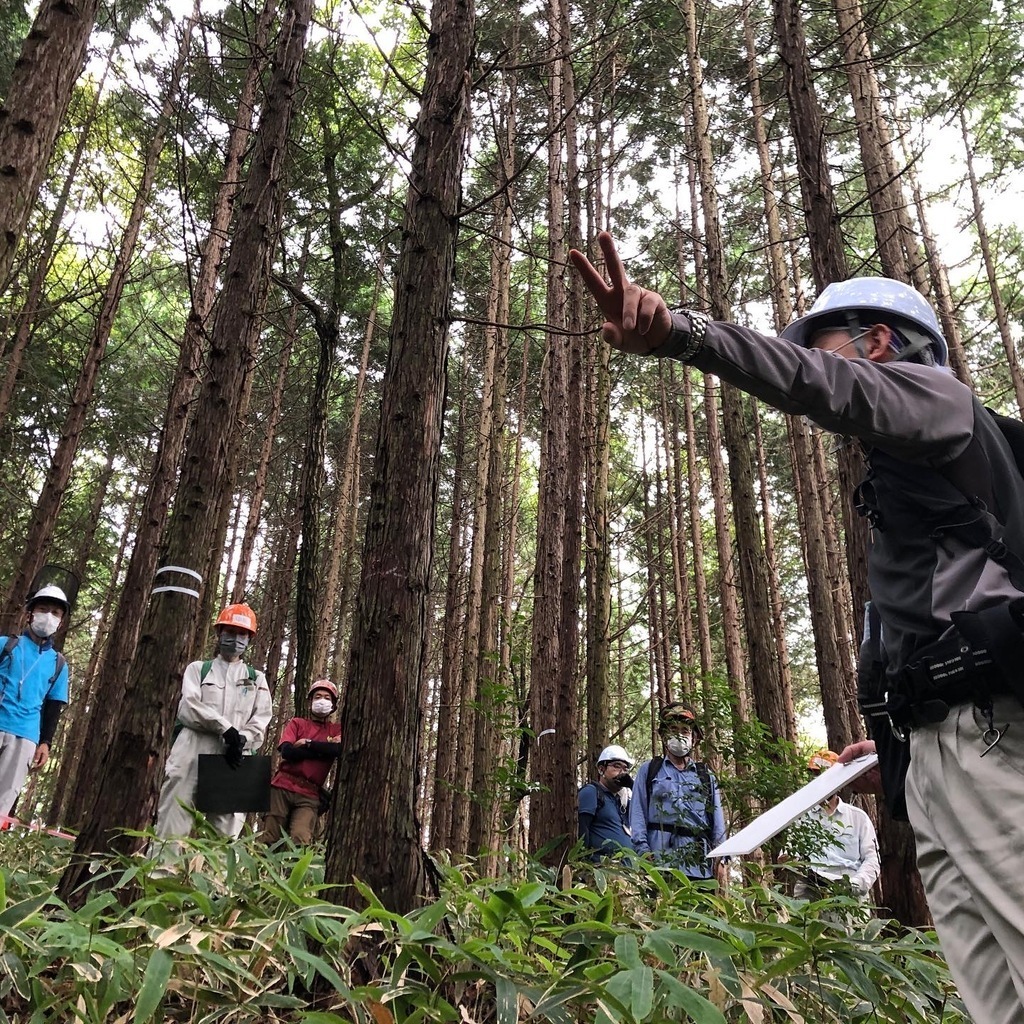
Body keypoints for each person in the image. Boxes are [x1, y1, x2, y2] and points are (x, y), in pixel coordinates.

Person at [570, 230, 1024, 1022]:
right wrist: (894, 748)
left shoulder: (940, 401)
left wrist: (682, 332)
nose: (816, 368)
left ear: (879, 342)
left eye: (826, 346)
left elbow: (823, 386)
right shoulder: (914, 480)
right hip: (939, 759)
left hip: (990, 743)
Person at [153, 603, 272, 848]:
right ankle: (158, 882)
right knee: (172, 825)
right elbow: (189, 706)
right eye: (230, 631)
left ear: (249, 638)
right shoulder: (198, 670)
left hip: (235, 758)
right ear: (219, 633)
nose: (235, 639)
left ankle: (214, 886)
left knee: (224, 838)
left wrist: (241, 739)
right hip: (192, 750)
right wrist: (224, 728)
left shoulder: (256, 678)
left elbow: (262, 717)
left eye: (241, 634)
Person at [630, 703, 726, 880]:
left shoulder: (705, 775)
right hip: (660, 865)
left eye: (685, 731)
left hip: (700, 867)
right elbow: (637, 814)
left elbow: (718, 822)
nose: (679, 735)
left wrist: (720, 859)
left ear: (694, 738)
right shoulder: (649, 770)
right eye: (673, 729)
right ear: (664, 736)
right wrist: (643, 853)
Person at [0, 584, 71, 817]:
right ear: (30, 613)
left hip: (26, 738)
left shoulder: (58, 663)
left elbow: (53, 707)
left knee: (4, 801)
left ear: (61, 621)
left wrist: (46, 743)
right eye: (43, 609)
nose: (48, 616)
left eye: (56, 613)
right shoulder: (5, 645)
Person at [261, 679, 342, 845]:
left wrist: (308, 743)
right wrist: (322, 750)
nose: (322, 700)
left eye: (327, 698)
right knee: (270, 837)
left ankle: (295, 872)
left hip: (310, 794)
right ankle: (262, 871)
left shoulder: (336, 730)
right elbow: (288, 752)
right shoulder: (297, 723)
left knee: (301, 838)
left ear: (333, 705)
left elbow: (337, 750)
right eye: (318, 696)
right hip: (282, 787)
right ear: (310, 701)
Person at [792, 750, 880, 900]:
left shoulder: (858, 818)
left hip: (849, 897)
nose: (820, 781)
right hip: (810, 896)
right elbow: (790, 855)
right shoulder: (801, 818)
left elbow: (872, 859)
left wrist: (855, 885)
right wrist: (794, 863)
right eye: (816, 775)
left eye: (826, 776)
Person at [577, 744, 634, 860]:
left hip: (627, 873)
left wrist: (634, 787)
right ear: (601, 769)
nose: (622, 772)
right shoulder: (591, 792)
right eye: (616, 766)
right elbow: (581, 833)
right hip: (602, 871)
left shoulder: (622, 801)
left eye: (625, 768)